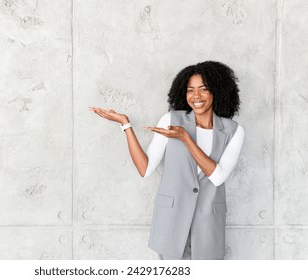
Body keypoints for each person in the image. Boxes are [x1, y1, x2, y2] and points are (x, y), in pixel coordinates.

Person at [89, 61, 244, 260]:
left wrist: (186, 139)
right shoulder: (170, 120)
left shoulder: (233, 130)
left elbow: (217, 177)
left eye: (203, 89)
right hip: (172, 220)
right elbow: (145, 169)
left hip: (208, 222)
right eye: (190, 90)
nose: (196, 96)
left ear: (218, 91)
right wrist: (125, 124)